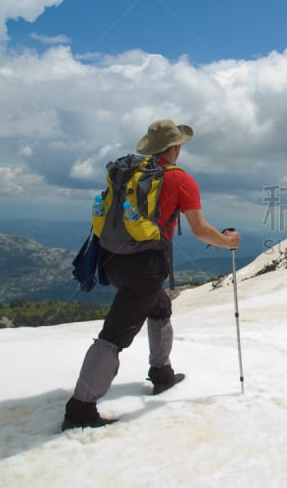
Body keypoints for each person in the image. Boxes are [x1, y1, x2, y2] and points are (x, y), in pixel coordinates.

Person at [62, 119, 241, 431]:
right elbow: (200, 230)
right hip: (145, 267)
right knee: (113, 337)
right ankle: (81, 409)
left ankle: (162, 374)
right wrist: (227, 241)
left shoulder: (129, 171)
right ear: (175, 148)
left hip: (112, 259)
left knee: (160, 306)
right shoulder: (180, 180)